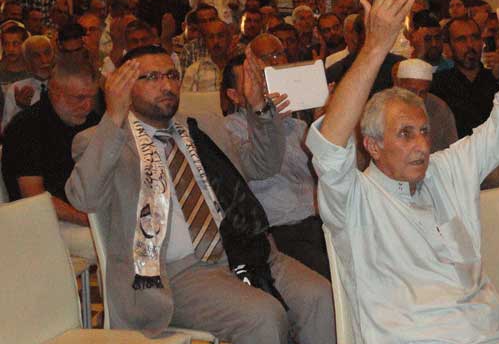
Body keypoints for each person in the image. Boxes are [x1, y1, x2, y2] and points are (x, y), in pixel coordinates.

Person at [307, 0, 499, 343]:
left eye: (423, 131)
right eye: (405, 134)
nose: (420, 144)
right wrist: (375, 47)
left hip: (494, 334)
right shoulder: (355, 199)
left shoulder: (446, 171)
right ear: (372, 145)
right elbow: (329, 145)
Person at [65, 45, 334, 343]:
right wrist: (114, 117)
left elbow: (263, 165)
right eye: (151, 77)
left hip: (246, 249)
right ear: (123, 87)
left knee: (320, 296)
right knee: (264, 316)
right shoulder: (102, 140)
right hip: (175, 274)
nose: (166, 85)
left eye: (171, 75)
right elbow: (84, 198)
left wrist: (259, 107)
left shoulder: (203, 125)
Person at [223, 39, 330, 279]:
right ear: (234, 95)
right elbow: (261, 168)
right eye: (251, 82)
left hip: (321, 221)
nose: (260, 86)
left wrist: (326, 125)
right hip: (280, 231)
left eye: (262, 79)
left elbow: (328, 173)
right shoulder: (229, 129)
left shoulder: (297, 125)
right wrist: (264, 116)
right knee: (333, 276)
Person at [3, 55, 100, 261]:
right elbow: (35, 197)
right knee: (109, 242)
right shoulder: (26, 127)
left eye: (92, 97)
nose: (88, 105)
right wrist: (88, 219)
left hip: (83, 213)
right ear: (55, 92)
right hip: (39, 222)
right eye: (79, 98)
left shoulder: (90, 120)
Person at [431, 15, 499, 138]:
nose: (470, 45)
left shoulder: (496, 81)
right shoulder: (438, 85)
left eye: (475, 38)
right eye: (461, 39)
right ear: (448, 48)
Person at [393, 58, 458, 153]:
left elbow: (453, 149)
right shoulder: (382, 106)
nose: (417, 97)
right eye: (412, 91)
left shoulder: (439, 108)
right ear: (398, 85)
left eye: (422, 92)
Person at [1, 35, 54, 131]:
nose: (44, 60)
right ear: (27, 62)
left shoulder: (67, 85)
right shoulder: (17, 89)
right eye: (36, 56)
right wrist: (21, 108)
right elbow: (7, 130)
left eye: (47, 53)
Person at [182, 18, 232, 92]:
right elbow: (185, 98)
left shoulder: (239, 68)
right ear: (205, 42)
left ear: (229, 39)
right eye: (211, 37)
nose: (216, 41)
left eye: (220, 36)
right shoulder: (194, 71)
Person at [0, 21, 30, 86]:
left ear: (25, 44)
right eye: (6, 44)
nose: (10, 49)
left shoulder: (34, 72)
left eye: (15, 44)